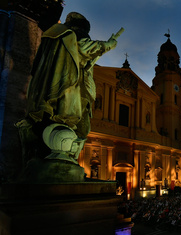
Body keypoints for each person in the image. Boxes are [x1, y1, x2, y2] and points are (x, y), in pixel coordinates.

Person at [18, 12, 119, 164]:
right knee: (71, 125)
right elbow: (86, 49)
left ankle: (42, 157)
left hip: (48, 88)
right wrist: (108, 45)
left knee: (51, 123)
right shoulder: (74, 33)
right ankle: (62, 161)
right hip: (68, 86)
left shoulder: (53, 35)